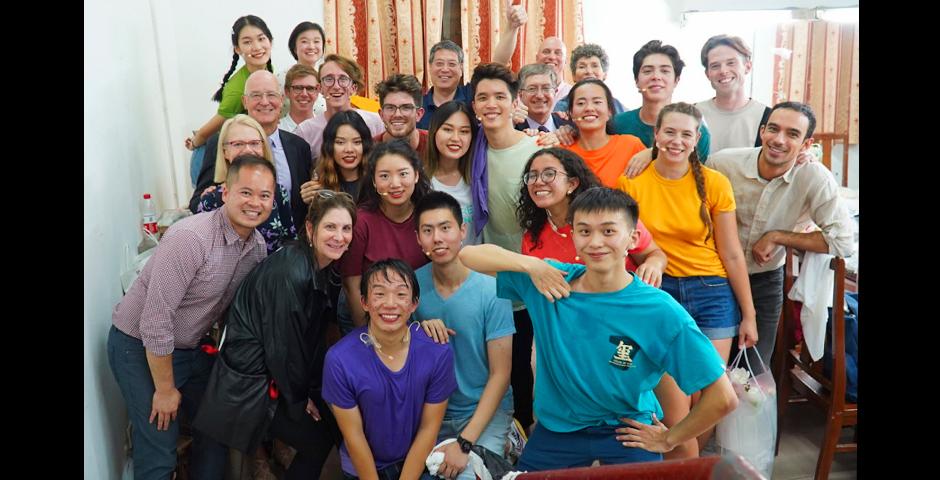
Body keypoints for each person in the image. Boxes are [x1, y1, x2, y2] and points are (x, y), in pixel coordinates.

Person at [458, 187, 738, 471]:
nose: (595, 242)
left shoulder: (660, 310)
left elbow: (722, 397)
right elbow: (469, 255)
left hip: (627, 433)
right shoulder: (550, 281)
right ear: (573, 236)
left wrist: (668, 439)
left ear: (633, 238)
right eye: (584, 231)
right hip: (556, 432)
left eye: (608, 231)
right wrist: (532, 265)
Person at [108, 155, 275, 480]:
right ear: (225, 192)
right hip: (138, 345)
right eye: (246, 192)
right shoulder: (190, 238)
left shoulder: (256, 248)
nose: (255, 203)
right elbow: (155, 321)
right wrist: (166, 390)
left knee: (215, 423)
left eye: (264, 195)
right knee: (160, 441)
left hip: (188, 346)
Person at [617, 102, 757, 454]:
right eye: (669, 132)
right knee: (676, 399)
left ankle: (685, 468)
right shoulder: (631, 182)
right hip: (658, 292)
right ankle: (675, 460)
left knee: (710, 394)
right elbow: (627, 246)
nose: (676, 141)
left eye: (685, 134)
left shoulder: (715, 183)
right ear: (656, 135)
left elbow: (731, 253)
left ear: (697, 139)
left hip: (711, 291)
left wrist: (749, 314)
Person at [195, 190, 356, 479]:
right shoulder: (292, 270)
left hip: (272, 376)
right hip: (251, 383)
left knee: (328, 431)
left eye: (346, 228)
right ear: (310, 228)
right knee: (318, 442)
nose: (339, 236)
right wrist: (298, 399)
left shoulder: (317, 265)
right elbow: (283, 347)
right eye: (330, 227)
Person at [708, 101, 856, 365]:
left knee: (752, 374)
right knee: (707, 369)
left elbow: (843, 241)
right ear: (762, 131)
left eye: (792, 134)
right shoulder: (723, 163)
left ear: (807, 144)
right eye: (773, 129)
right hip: (711, 278)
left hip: (764, 280)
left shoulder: (812, 176)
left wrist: (778, 236)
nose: (779, 140)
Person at [322, 259, 457, 479]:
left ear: (414, 304)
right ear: (364, 302)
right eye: (379, 294)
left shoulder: (436, 352)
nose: (390, 303)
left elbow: (428, 429)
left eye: (401, 294)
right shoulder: (339, 359)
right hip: (363, 468)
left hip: (416, 462)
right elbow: (354, 436)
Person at [412, 191, 515, 480]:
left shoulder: (492, 289)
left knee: (466, 476)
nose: (438, 238)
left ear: (462, 231)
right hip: (433, 413)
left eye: (445, 228)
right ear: (418, 239)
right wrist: (416, 330)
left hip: (484, 411)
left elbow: (500, 374)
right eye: (428, 231)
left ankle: (509, 438)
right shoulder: (411, 286)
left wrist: (465, 442)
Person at [191, 70, 314, 230]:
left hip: (285, 246)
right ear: (244, 101)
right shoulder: (221, 142)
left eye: (271, 95)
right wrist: (210, 198)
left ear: (281, 99)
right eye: (256, 95)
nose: (264, 102)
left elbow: (301, 207)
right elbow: (196, 204)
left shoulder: (299, 146)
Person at [339, 140, 433, 328]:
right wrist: (366, 336)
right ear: (374, 181)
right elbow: (352, 286)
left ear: (416, 175)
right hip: (370, 317)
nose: (395, 184)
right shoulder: (361, 222)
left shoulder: (429, 216)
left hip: (420, 315)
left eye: (403, 174)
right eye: (384, 176)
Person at [185, 15, 274, 184]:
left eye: (261, 39)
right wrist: (195, 142)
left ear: (270, 41)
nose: (257, 47)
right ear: (237, 49)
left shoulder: (266, 71)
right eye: (247, 42)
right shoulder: (238, 88)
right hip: (213, 158)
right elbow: (213, 128)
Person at [193, 115, 296, 253]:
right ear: (225, 152)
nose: (248, 150)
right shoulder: (211, 200)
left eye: (254, 143)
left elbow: (290, 242)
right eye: (238, 144)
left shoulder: (277, 192)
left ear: (263, 148)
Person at [612, 40, 713, 177]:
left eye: (665, 71)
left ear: (676, 80)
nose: (656, 77)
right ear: (636, 81)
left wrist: (654, 152)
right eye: (647, 71)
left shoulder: (695, 129)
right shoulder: (617, 124)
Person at [294, 54, 385, 162]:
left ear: (353, 88)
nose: (336, 86)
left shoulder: (375, 122)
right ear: (320, 88)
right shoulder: (306, 131)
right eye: (328, 79)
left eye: (343, 79)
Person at [695, 35, 772, 154]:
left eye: (731, 63)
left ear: (747, 67)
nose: (723, 71)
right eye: (715, 66)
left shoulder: (768, 117)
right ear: (707, 74)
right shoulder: (693, 113)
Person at [563, 79, 646, 187]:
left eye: (597, 102)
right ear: (571, 113)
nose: (589, 108)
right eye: (581, 103)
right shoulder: (562, 151)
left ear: (609, 111)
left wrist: (652, 152)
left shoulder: (631, 146)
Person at [425, 101, 480, 245]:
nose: (456, 138)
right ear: (434, 131)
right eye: (448, 129)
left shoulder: (479, 178)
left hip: (478, 265)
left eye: (464, 131)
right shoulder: (421, 182)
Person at [305, 111, 376, 200]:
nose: (349, 150)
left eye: (357, 142)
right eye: (340, 142)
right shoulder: (318, 181)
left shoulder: (377, 180)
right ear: (329, 146)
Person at [553, 43, 627, 114]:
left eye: (594, 66)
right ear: (573, 76)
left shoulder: (618, 107)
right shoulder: (562, 106)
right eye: (582, 67)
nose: (589, 71)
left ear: (605, 74)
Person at [374, 74, 429, 158]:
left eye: (406, 107)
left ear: (419, 114)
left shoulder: (436, 145)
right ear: (381, 115)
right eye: (390, 108)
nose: (397, 114)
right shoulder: (369, 149)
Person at [281, 21, 328, 117]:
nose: (311, 46)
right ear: (294, 47)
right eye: (304, 41)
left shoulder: (326, 79)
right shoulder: (282, 78)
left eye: (316, 41)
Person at [513, 63, 575, 133]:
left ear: (555, 92)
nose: (540, 95)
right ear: (520, 94)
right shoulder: (512, 128)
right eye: (532, 89)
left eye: (546, 88)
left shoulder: (570, 127)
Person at [280, 63, 320, 132]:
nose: (304, 94)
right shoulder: (276, 131)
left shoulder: (326, 129)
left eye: (310, 88)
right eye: (298, 88)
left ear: (317, 92)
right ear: (287, 91)